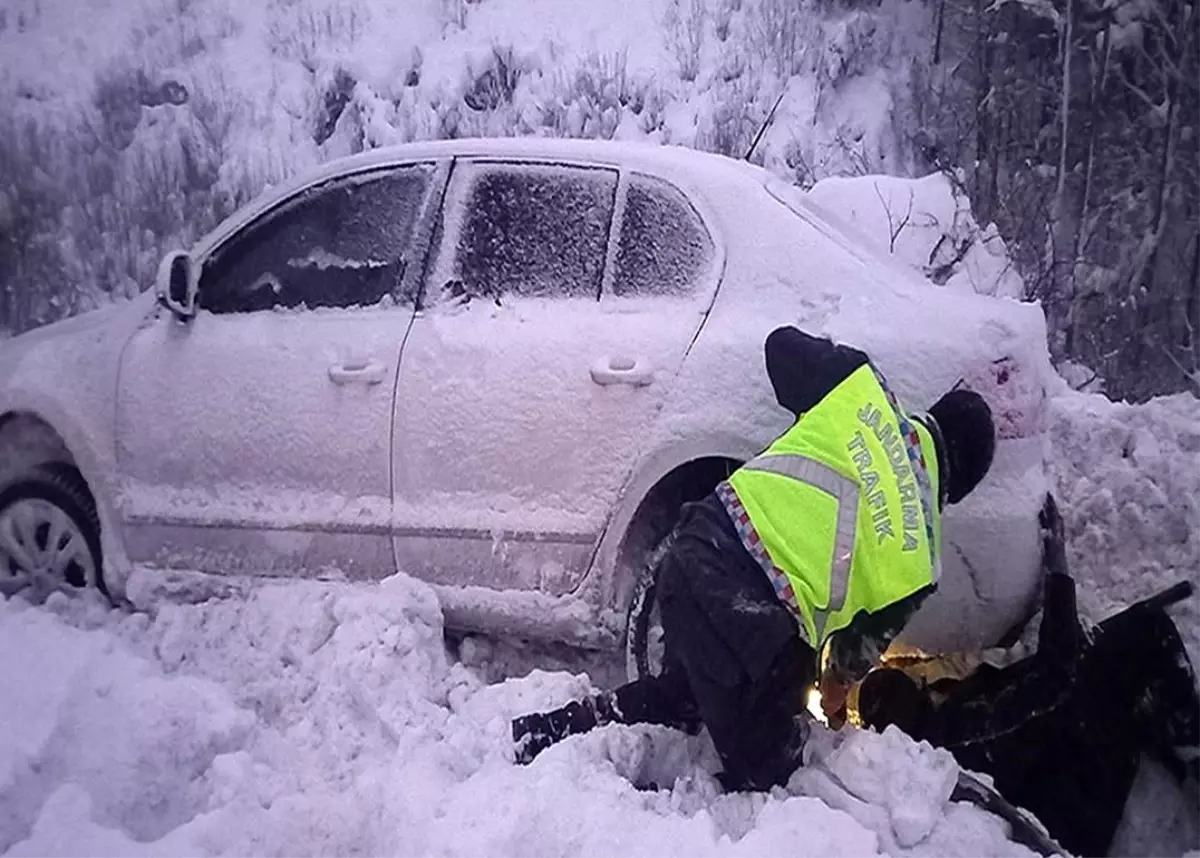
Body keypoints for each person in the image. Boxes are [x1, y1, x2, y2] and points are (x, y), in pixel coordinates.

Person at [511, 325, 997, 790]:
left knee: (689, 692)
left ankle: (550, 729)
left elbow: (781, 346)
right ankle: (661, 820)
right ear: (959, 489)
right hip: (754, 628)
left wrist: (833, 365)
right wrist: (832, 700)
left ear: (931, 414)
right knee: (774, 768)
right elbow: (846, 664)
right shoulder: (921, 562)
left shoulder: (859, 386)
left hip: (693, 550)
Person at [857, 494, 1200, 858]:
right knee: (1147, 630)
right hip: (1078, 788)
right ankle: (1191, 745)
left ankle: (1146, 721)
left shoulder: (938, 744)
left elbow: (1018, 675)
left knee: (1108, 658)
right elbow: (1054, 676)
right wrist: (1059, 576)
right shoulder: (963, 728)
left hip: (1057, 762)